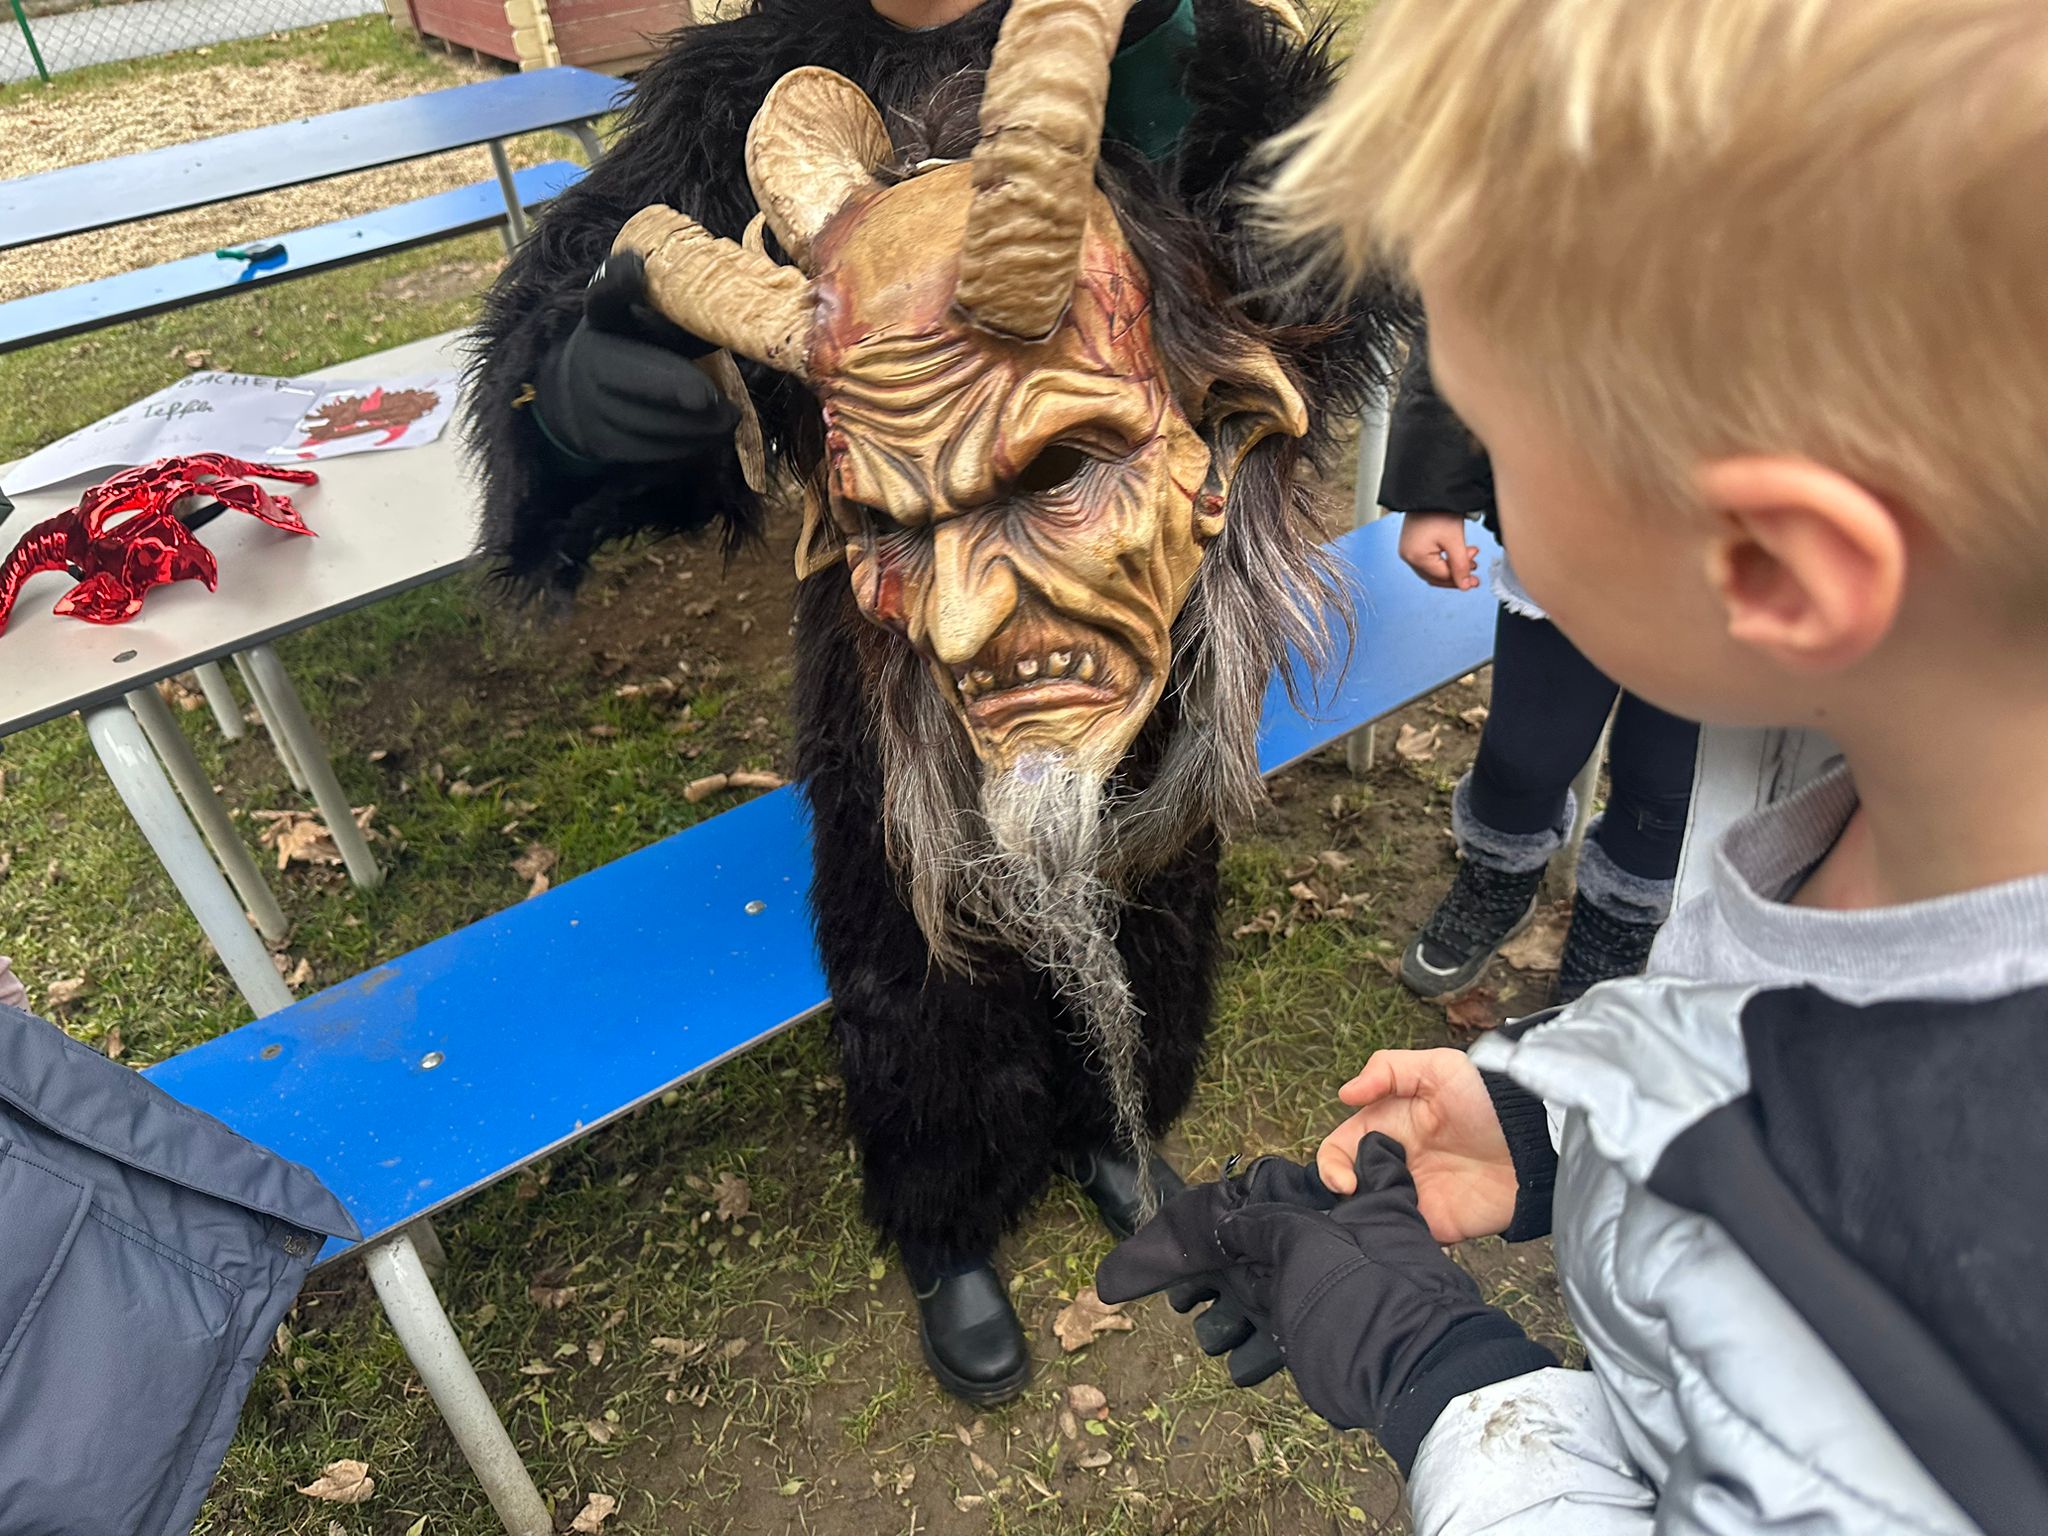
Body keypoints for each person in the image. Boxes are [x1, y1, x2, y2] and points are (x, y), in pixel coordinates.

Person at [1098, 0, 2048, 1529]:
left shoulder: (1976, 1289)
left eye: (1500, 444)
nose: (1490, 494)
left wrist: (1440, 1372)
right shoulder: (1911, 764)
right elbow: (1764, 1033)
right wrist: (1558, 1124)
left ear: (1777, 569)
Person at [465, 0, 1394, 1405]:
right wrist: (571, 404)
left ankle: (1116, 1116)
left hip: (1130, 602)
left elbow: (1342, 268)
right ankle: (946, 1216)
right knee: (910, 928)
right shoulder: (731, 97)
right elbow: (564, 318)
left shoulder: (1178, 40)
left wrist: (1205, 119)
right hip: (896, 636)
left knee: (1150, 874)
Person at [1381, 340, 1699, 1004]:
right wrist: (1434, 490)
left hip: (1734, 557)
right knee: (1525, 751)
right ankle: (1499, 878)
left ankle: (1619, 922)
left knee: (1667, 780)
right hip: (1572, 504)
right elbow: (1469, 307)